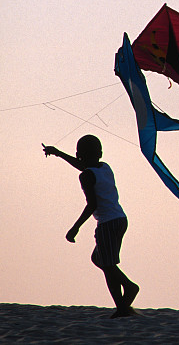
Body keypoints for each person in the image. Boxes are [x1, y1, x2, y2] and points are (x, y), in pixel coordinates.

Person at [42, 135, 139, 318]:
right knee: (101, 260)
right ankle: (122, 306)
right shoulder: (105, 167)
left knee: (106, 263)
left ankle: (128, 291)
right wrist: (58, 153)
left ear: (79, 155)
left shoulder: (86, 176)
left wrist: (75, 227)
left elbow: (92, 204)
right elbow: (85, 167)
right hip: (120, 219)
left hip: (108, 223)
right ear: (100, 154)